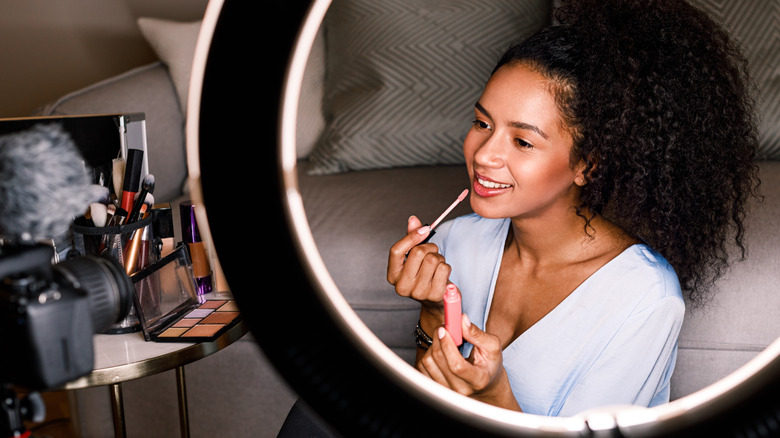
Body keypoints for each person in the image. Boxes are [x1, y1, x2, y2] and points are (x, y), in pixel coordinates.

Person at [387, 0, 760, 416]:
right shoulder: (456, 241)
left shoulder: (645, 299)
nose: (484, 155)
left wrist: (495, 397)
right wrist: (432, 313)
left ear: (587, 164)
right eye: (482, 123)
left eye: (522, 141)